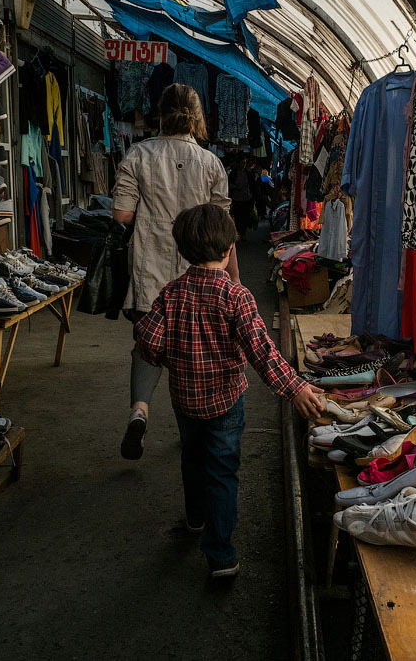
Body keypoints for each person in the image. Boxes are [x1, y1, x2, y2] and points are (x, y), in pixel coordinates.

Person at [134, 203, 324, 577]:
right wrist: (296, 388)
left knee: (192, 456)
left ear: (183, 250)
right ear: (228, 250)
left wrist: (175, 353)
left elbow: (148, 341)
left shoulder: (171, 293)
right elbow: (262, 354)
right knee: (222, 471)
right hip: (225, 402)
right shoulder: (237, 297)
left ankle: (195, 517)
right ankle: (220, 556)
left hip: (184, 400)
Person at [112, 84, 239, 456]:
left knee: (148, 345)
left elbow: (122, 215)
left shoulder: (138, 154)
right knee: (194, 353)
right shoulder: (211, 163)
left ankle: (139, 410)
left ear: (161, 114)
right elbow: (224, 229)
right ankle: (193, 434)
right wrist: (234, 279)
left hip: (147, 271)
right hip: (201, 275)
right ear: (196, 118)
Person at [227, 156, 255, 239]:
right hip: (237, 199)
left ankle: (243, 233)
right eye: (242, 163)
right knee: (238, 216)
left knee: (245, 216)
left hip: (247, 198)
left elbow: (252, 185)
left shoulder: (248, 173)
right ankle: (238, 232)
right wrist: (235, 187)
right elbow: (229, 184)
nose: (243, 164)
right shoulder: (233, 173)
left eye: (245, 163)